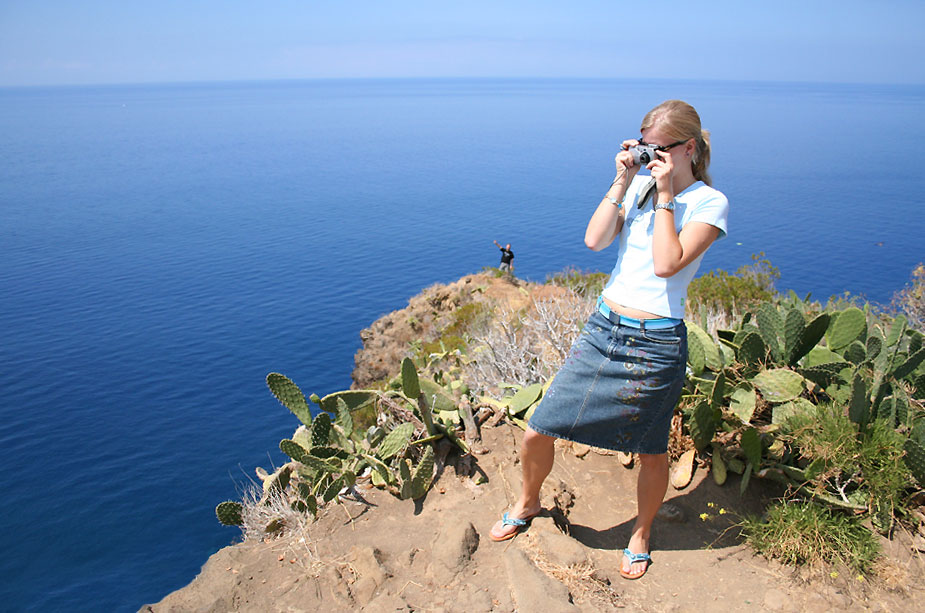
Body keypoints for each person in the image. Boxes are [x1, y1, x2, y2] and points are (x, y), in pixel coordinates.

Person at [488, 100, 729, 581]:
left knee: (651, 448)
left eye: (658, 149)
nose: (649, 156)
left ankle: (640, 533)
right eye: (644, 147)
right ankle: (528, 501)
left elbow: (667, 263)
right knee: (540, 425)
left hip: (656, 343)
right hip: (603, 331)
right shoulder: (638, 185)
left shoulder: (709, 203)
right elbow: (594, 241)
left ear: (686, 149)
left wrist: (664, 195)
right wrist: (622, 179)